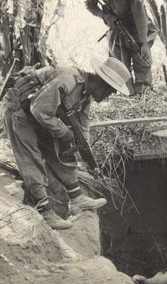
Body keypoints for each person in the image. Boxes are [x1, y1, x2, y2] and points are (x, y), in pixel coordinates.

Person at [2, 57, 133, 229]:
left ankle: (77, 199)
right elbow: (39, 109)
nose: (112, 94)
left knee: (61, 149)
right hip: (19, 111)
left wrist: (86, 155)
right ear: (102, 83)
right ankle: (46, 212)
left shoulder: (86, 95)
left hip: (40, 115)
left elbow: (82, 128)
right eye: (111, 90)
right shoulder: (69, 79)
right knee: (31, 158)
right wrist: (64, 132)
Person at [85, 0, 157, 95]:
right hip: (116, 28)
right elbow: (89, 4)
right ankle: (127, 93)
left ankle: (143, 93)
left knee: (142, 58)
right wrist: (104, 16)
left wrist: (143, 43)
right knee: (119, 64)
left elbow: (140, 14)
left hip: (136, 26)